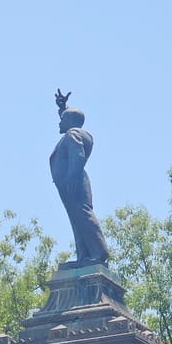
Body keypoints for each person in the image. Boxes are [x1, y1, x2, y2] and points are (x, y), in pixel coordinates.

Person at [49, 102, 109, 266]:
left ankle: (99, 252)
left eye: (62, 119)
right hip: (71, 182)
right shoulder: (73, 131)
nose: (59, 122)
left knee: (83, 214)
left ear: (69, 121)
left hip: (73, 182)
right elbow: (72, 119)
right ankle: (84, 255)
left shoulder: (72, 133)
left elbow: (78, 155)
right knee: (76, 218)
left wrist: (72, 178)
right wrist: (63, 108)